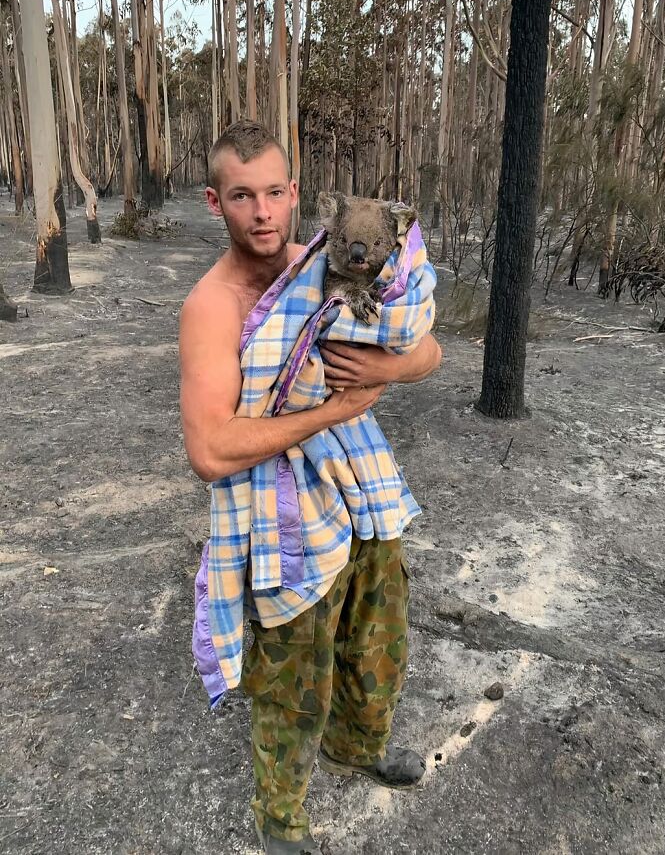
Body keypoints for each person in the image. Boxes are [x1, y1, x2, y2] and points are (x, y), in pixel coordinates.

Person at [179, 120, 442, 855]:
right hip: (280, 518)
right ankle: (281, 817)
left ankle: (359, 744)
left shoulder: (323, 261)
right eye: (241, 195)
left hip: (360, 491)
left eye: (272, 192)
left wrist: (385, 370)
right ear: (215, 201)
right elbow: (210, 447)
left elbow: (429, 349)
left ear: (297, 196)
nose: (261, 211)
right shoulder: (212, 307)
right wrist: (334, 408)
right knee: (294, 676)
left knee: (377, 639)